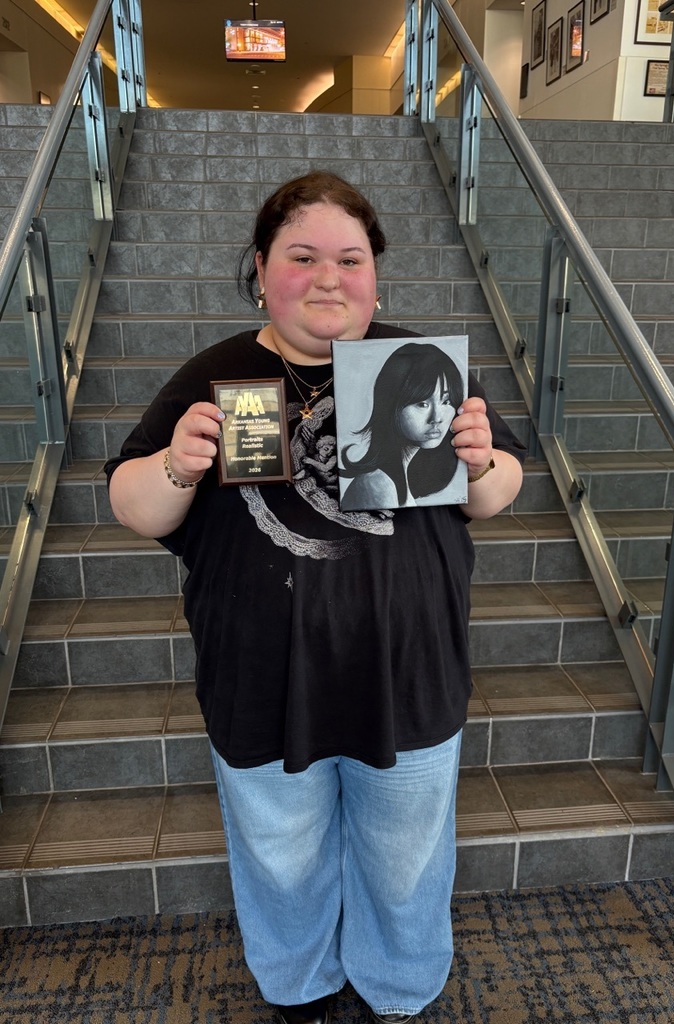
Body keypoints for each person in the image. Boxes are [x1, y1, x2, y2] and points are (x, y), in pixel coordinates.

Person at [105, 170, 526, 1024]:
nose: (329, 277)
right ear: (261, 269)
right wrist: (180, 462)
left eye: (350, 258)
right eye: (302, 257)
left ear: (375, 274)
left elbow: (494, 492)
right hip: (261, 677)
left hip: (407, 673)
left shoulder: (420, 367)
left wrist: (482, 460)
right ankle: (298, 987)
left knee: (406, 853)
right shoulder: (216, 373)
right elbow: (132, 505)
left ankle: (398, 987)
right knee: (280, 852)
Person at [339, 341, 464, 510]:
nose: (437, 418)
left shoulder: (394, 479)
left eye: (446, 401)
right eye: (422, 403)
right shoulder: (377, 484)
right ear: (391, 404)